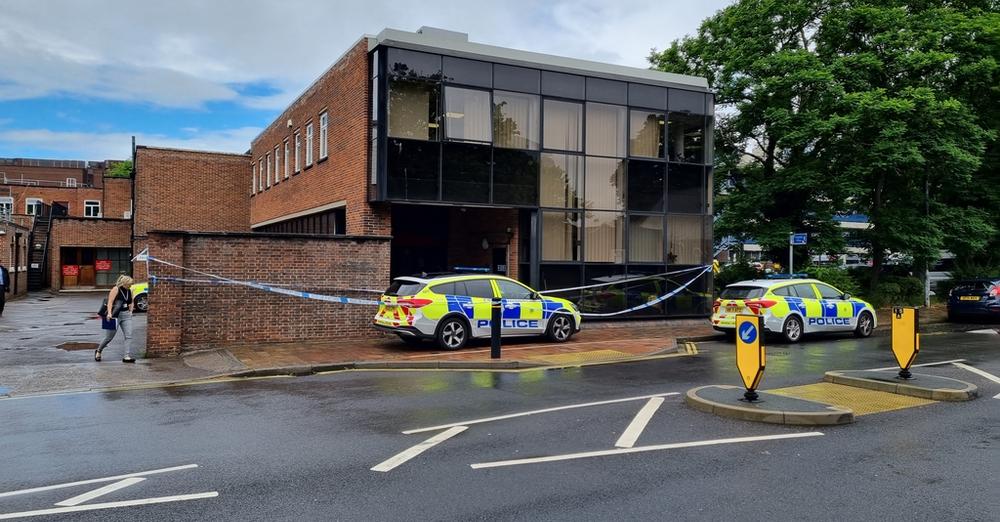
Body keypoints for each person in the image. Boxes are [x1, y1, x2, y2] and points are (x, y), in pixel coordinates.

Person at [96, 274, 136, 363]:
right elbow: (110, 302)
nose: (131, 285)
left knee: (128, 336)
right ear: (124, 283)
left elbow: (131, 301)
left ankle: (126, 356)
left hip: (126, 315)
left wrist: (130, 312)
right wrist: (109, 313)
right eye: (129, 284)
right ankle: (99, 350)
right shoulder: (116, 289)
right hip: (115, 315)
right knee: (109, 337)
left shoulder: (130, 290)